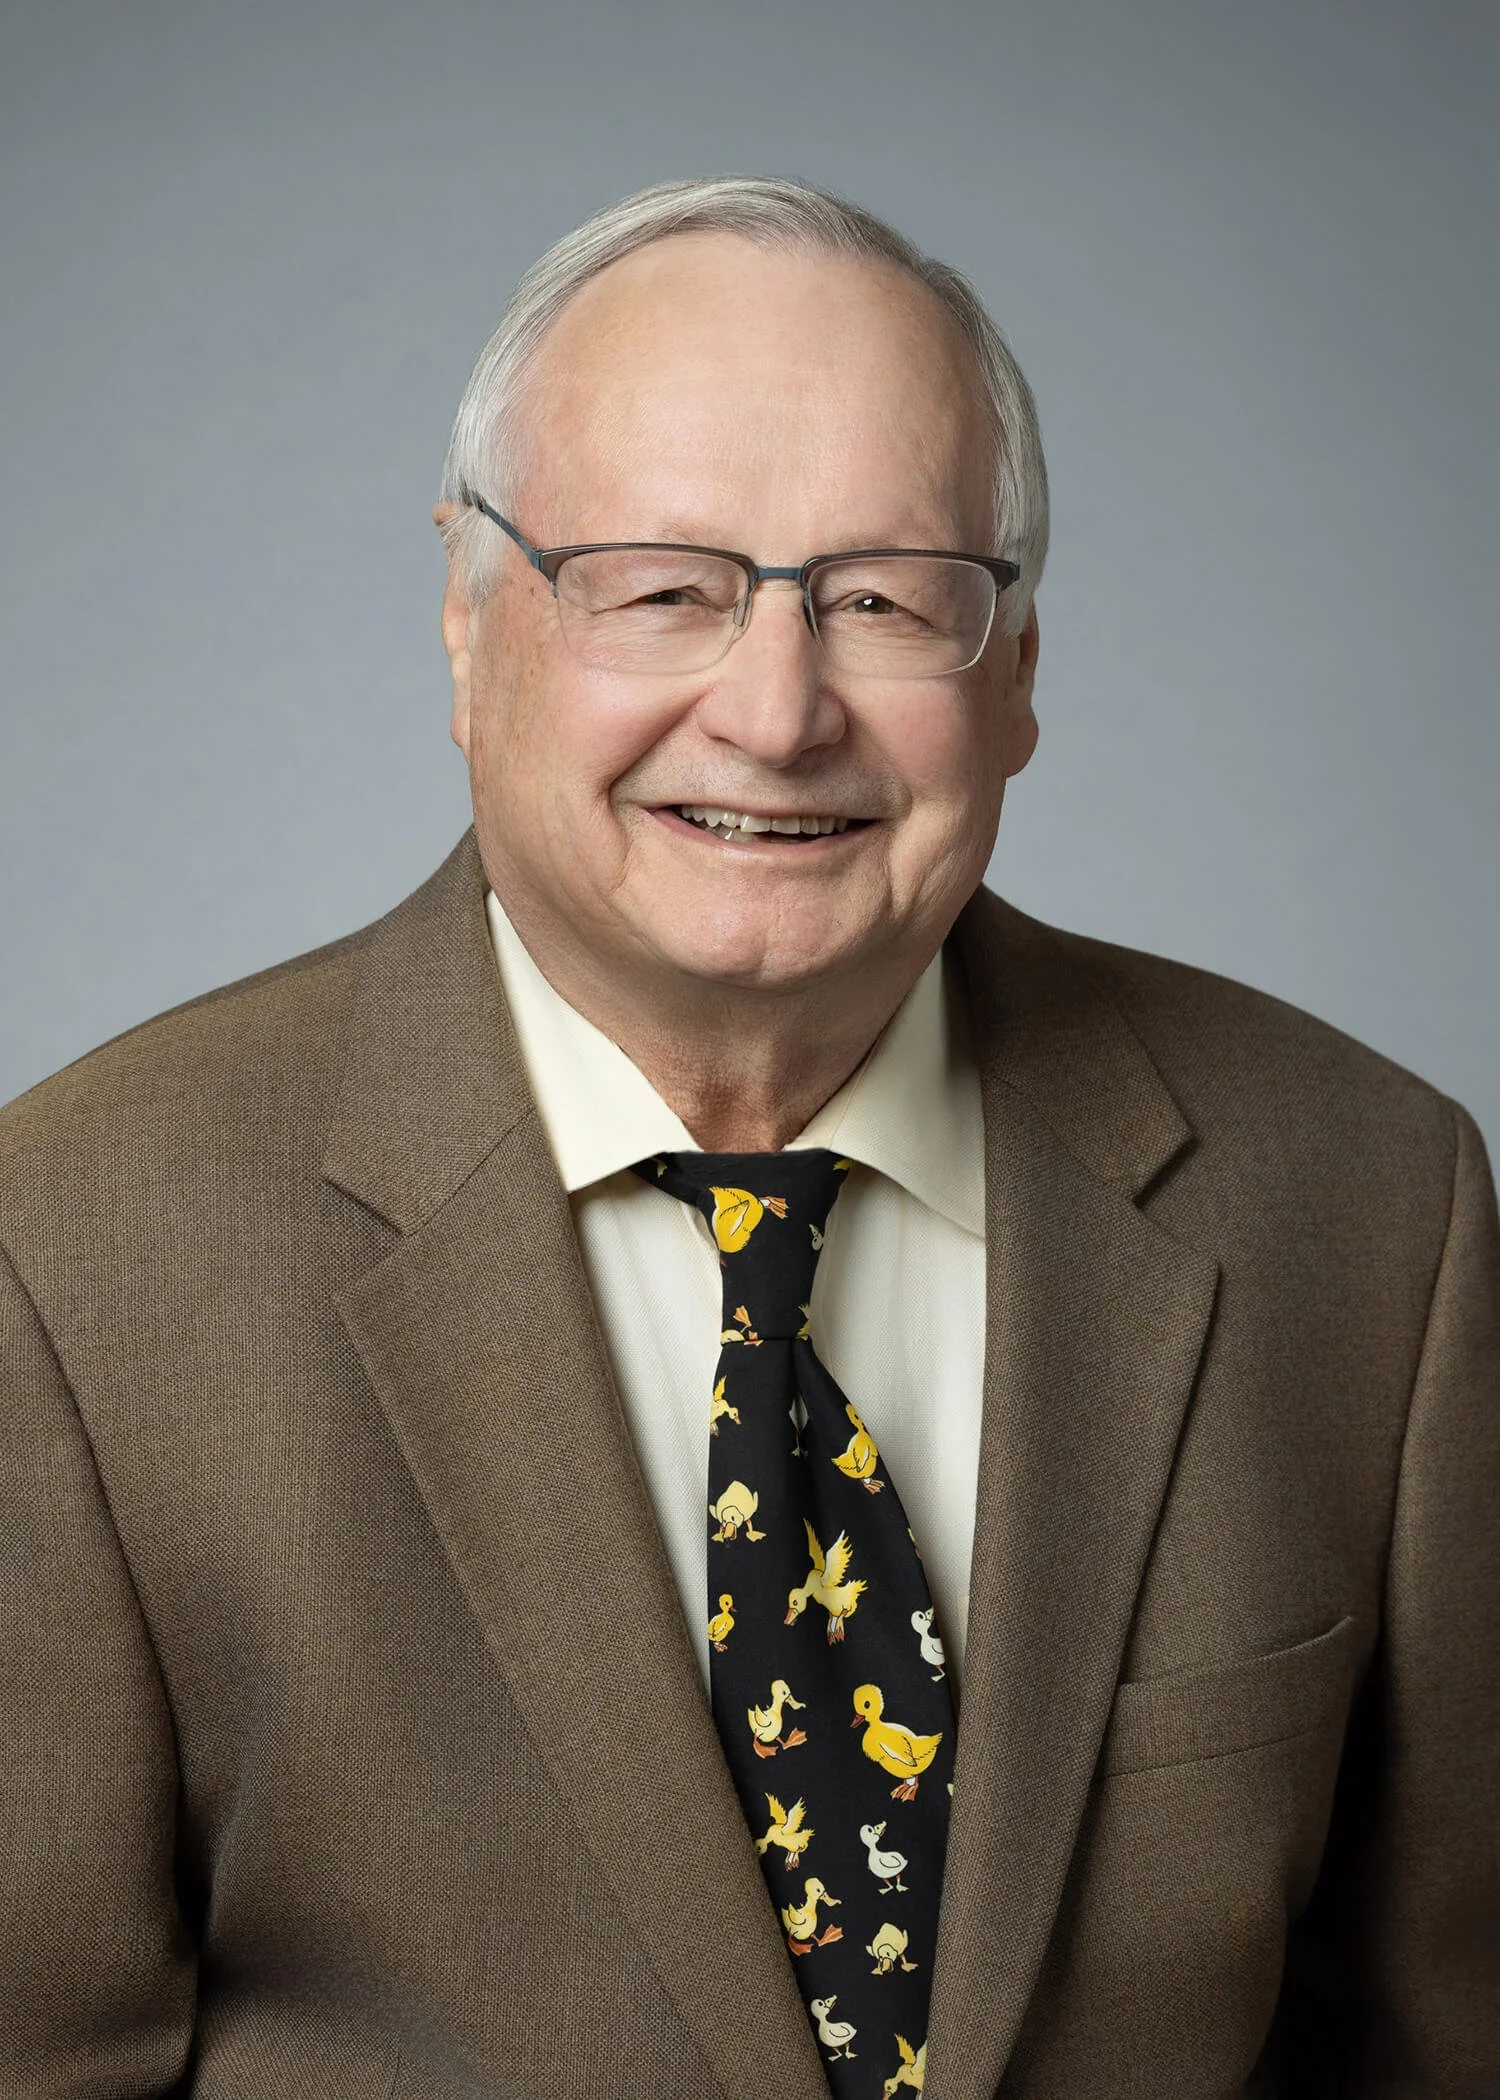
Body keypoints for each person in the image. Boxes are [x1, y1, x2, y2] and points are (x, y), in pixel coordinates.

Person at [1, 175, 1496, 2100]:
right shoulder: (73, 1257)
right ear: (468, 622)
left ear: (1018, 671)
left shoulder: (1370, 1210)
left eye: (883, 598)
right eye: (662, 588)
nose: (778, 713)